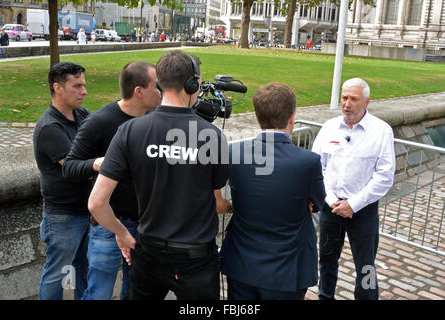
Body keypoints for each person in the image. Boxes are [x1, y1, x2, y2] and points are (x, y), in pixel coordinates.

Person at [88, 50, 232, 300]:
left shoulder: (129, 130)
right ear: (193, 83)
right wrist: (232, 206)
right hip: (196, 260)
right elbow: (217, 204)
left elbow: (96, 203)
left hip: (147, 253)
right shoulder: (212, 137)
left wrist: (122, 233)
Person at [62, 62, 161, 300]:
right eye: (157, 86)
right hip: (108, 223)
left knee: (135, 290)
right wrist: (98, 163)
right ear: (139, 91)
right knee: (99, 292)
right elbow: (70, 167)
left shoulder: (157, 120)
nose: (162, 91)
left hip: (146, 225)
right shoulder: (100, 121)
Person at [220, 82, 326, 300]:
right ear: (292, 117)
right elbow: (318, 203)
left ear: (258, 117)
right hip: (287, 268)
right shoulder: (308, 161)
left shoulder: (234, 152)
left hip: (242, 263)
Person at [311, 78, 396, 300]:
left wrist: (353, 204)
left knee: (366, 265)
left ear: (366, 102)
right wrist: (331, 201)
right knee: (327, 260)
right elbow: (317, 166)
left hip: (363, 211)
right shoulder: (329, 128)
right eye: (344, 98)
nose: (347, 104)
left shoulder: (381, 131)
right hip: (331, 208)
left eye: (353, 99)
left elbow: (384, 176)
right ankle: (325, 296)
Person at [33, 62, 91, 300]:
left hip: (86, 211)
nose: (84, 91)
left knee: (83, 269)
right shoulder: (49, 127)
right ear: (58, 88)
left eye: (84, 85)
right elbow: (76, 169)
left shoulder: (82, 114)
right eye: (77, 86)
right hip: (63, 216)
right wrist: (100, 163)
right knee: (57, 275)